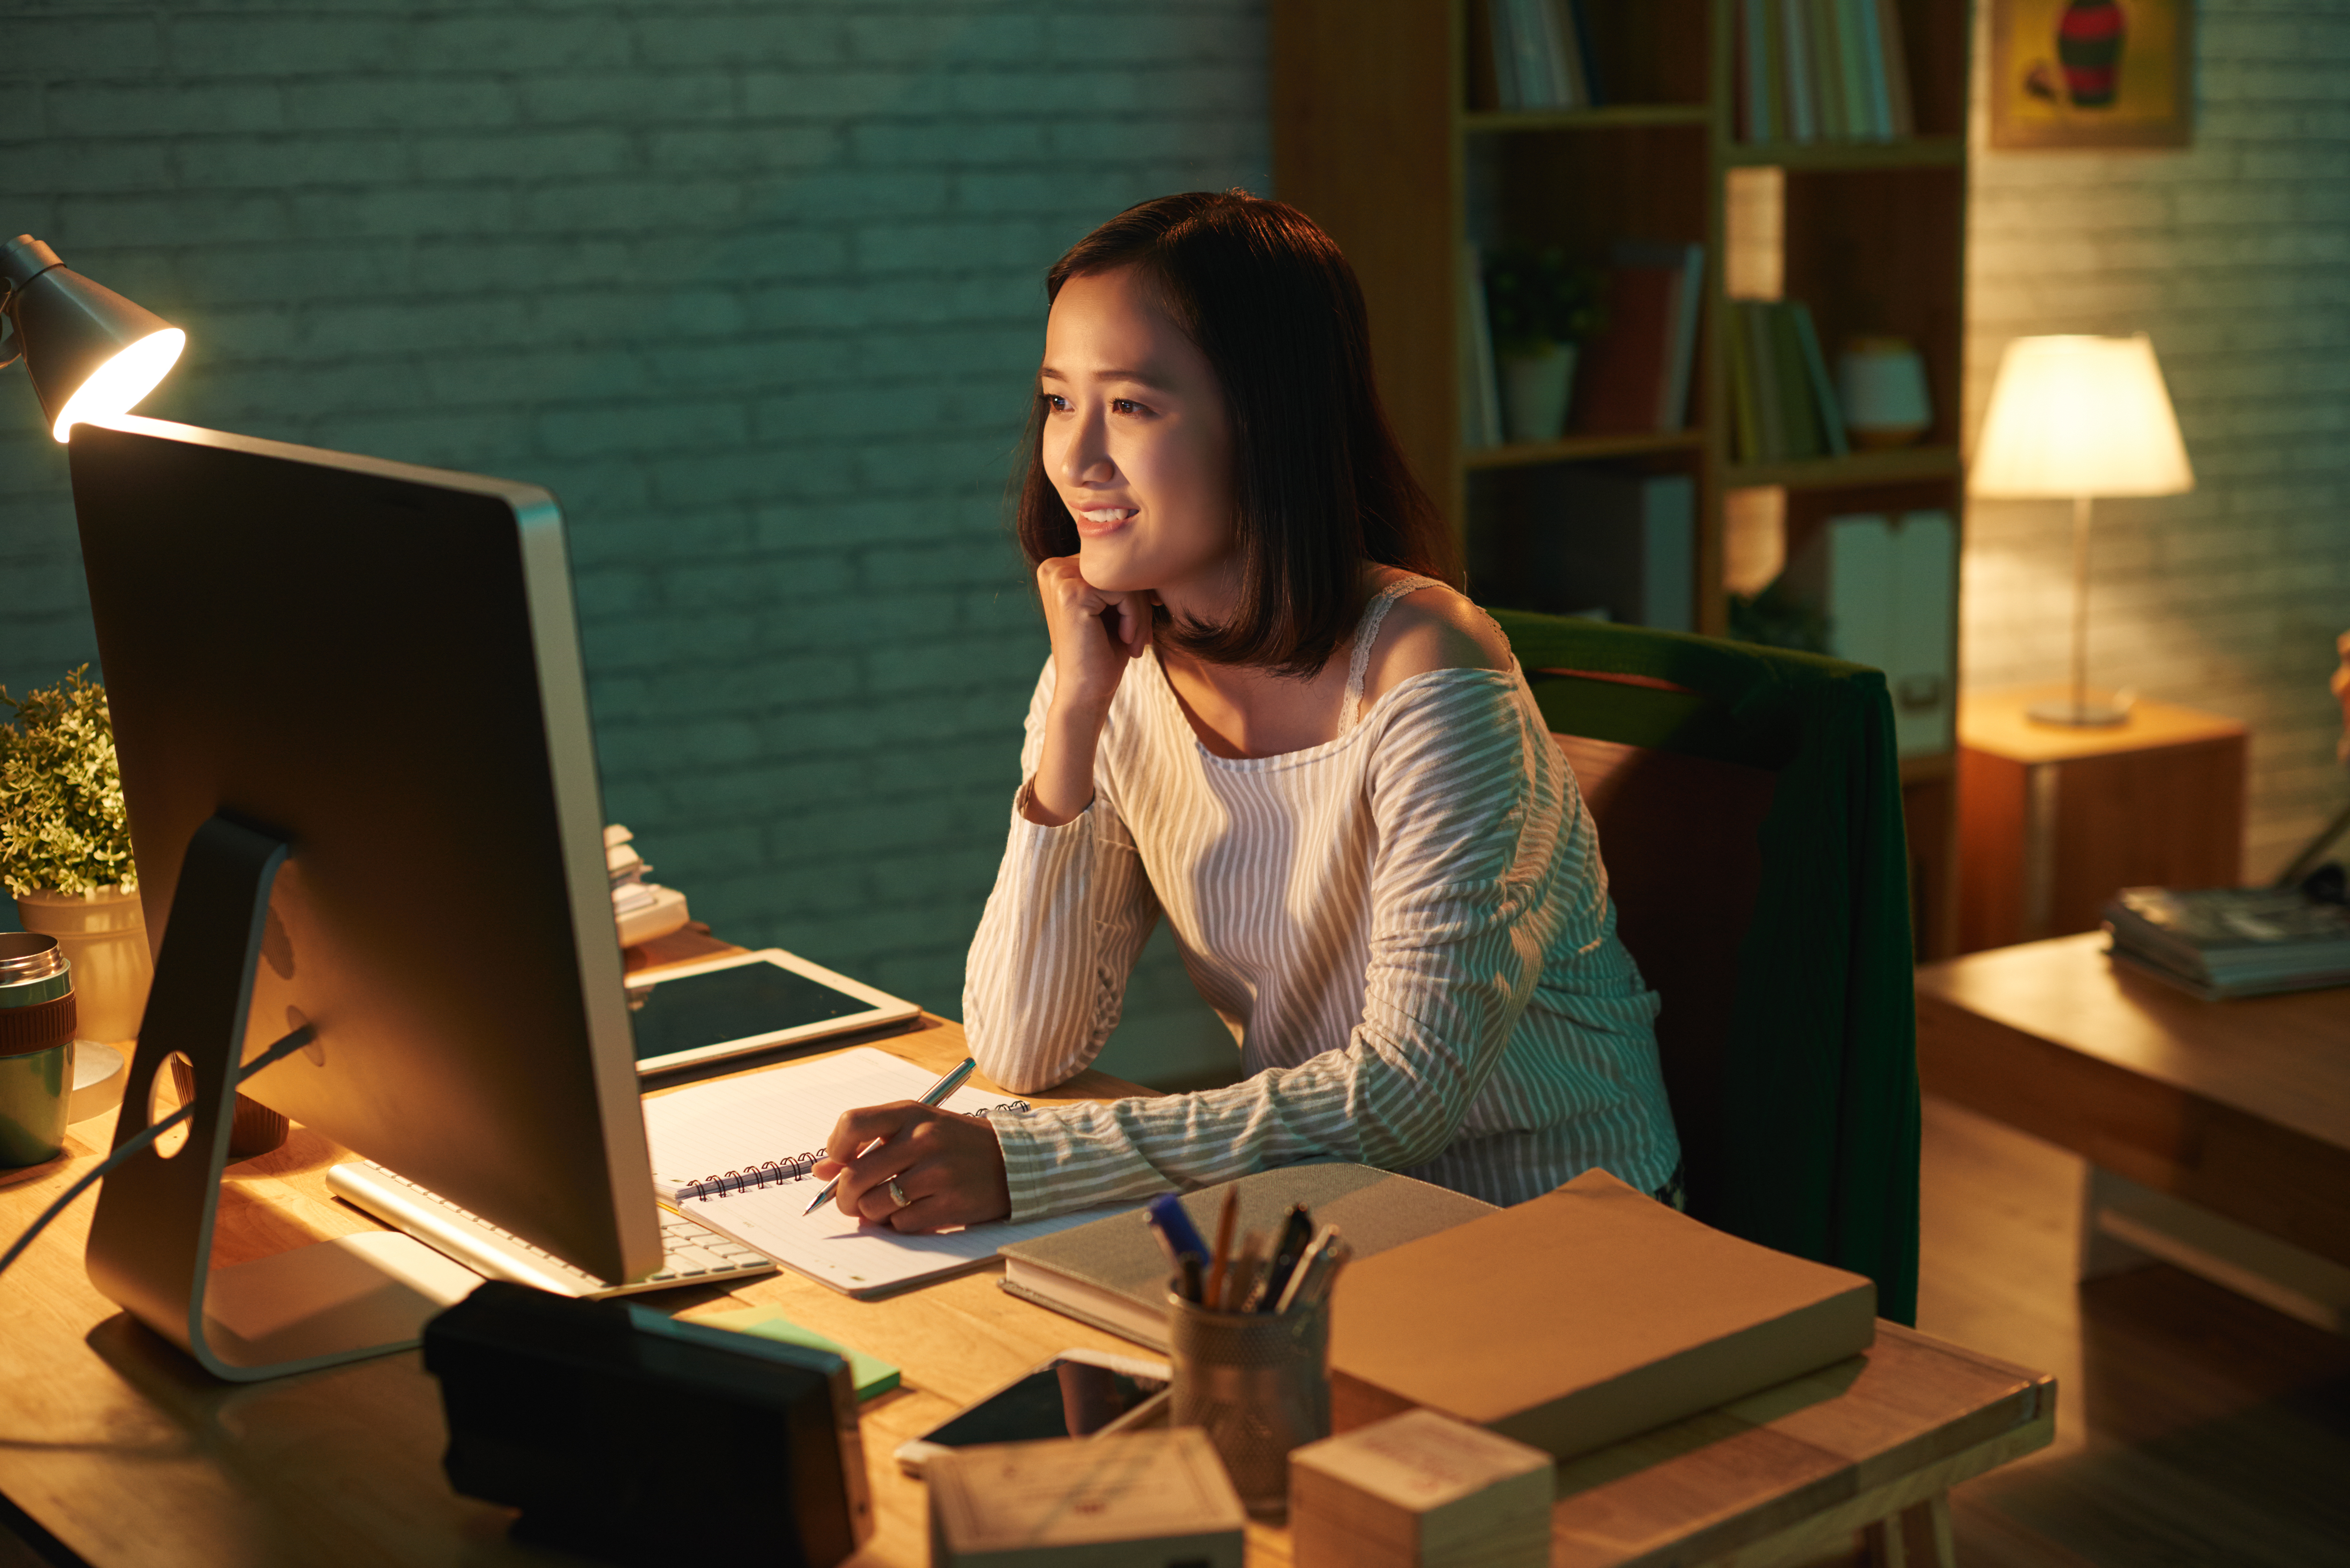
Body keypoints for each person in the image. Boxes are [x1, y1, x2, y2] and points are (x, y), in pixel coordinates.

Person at [812, 191, 1680, 1231]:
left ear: (1266, 421)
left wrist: (1028, 1161)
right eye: (1057, 400)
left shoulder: (1428, 668)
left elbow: (1401, 1094)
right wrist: (1076, 715)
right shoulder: (1112, 663)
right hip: (1336, 1217)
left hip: (1559, 1227)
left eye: (1131, 405)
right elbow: (1019, 1044)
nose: (1077, 456)